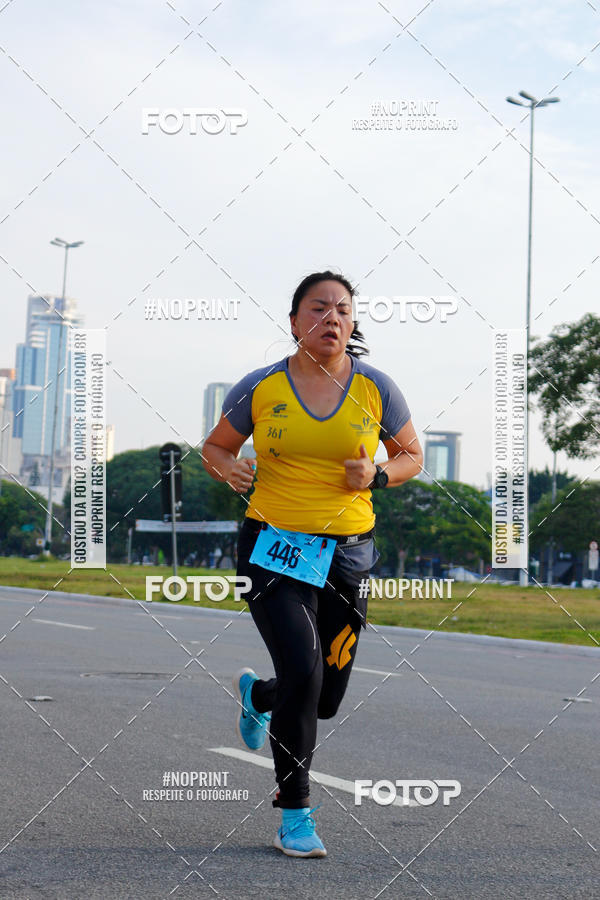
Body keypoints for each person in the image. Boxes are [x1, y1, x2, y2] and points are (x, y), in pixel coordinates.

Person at [202, 270, 423, 858]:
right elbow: (216, 446)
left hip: (347, 556)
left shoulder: (376, 387)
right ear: (295, 319)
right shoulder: (263, 387)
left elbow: (411, 458)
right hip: (273, 546)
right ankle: (295, 813)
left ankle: (260, 696)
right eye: (319, 308)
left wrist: (377, 473)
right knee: (305, 671)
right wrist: (229, 469)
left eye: (343, 311)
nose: (333, 319)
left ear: (352, 324)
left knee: (323, 696)